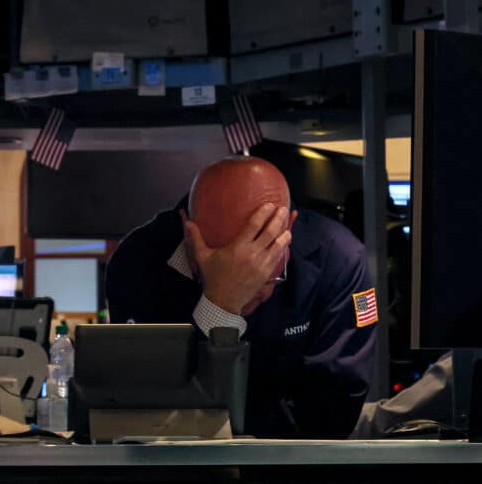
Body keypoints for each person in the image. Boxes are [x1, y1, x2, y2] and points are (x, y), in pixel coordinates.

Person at [105, 156, 377, 438]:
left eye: (267, 261)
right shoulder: (139, 262)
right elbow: (143, 412)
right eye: (220, 265)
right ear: (189, 233)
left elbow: (332, 415)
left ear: (289, 226)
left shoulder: (339, 258)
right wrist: (220, 306)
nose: (249, 290)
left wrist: (221, 424)